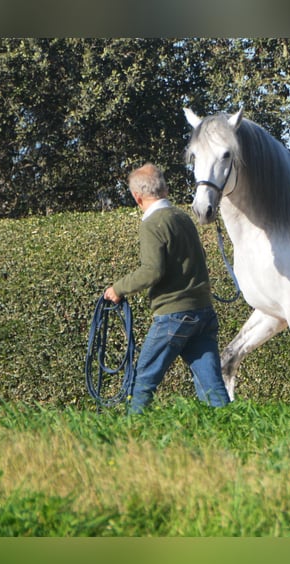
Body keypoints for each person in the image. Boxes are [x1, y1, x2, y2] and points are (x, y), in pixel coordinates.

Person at [104, 163, 230, 413]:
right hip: (203, 312)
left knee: (144, 378)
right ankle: (231, 430)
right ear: (165, 188)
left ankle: (131, 433)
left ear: (136, 197)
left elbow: (152, 270)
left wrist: (117, 289)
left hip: (173, 315)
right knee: (211, 383)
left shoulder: (152, 224)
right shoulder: (182, 217)